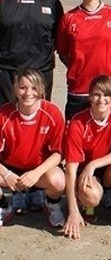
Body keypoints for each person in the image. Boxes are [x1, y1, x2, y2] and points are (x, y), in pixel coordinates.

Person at [63, 75, 111, 239]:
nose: (101, 100)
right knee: (92, 197)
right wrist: (72, 211)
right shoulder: (78, 123)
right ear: (89, 96)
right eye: (96, 94)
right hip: (87, 173)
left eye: (107, 95)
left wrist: (94, 164)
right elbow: (70, 168)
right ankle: (85, 206)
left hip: (107, 168)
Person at [0, 68, 65, 228]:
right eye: (22, 87)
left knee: (57, 180)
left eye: (34, 88)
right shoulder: (4, 114)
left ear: (41, 89)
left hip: (39, 171)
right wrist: (7, 174)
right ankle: (4, 206)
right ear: (15, 89)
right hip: (10, 171)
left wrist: (37, 173)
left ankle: (52, 205)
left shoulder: (52, 112)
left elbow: (59, 153)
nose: (28, 93)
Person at [57, 0, 111, 120]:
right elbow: (62, 52)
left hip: (108, 88)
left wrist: (109, 66)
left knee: (108, 138)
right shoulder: (69, 18)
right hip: (79, 88)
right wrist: (78, 68)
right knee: (77, 135)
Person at [0, 0, 64, 104]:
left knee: (37, 120)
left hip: (41, 73)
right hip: (7, 73)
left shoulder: (51, 1)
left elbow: (59, 39)